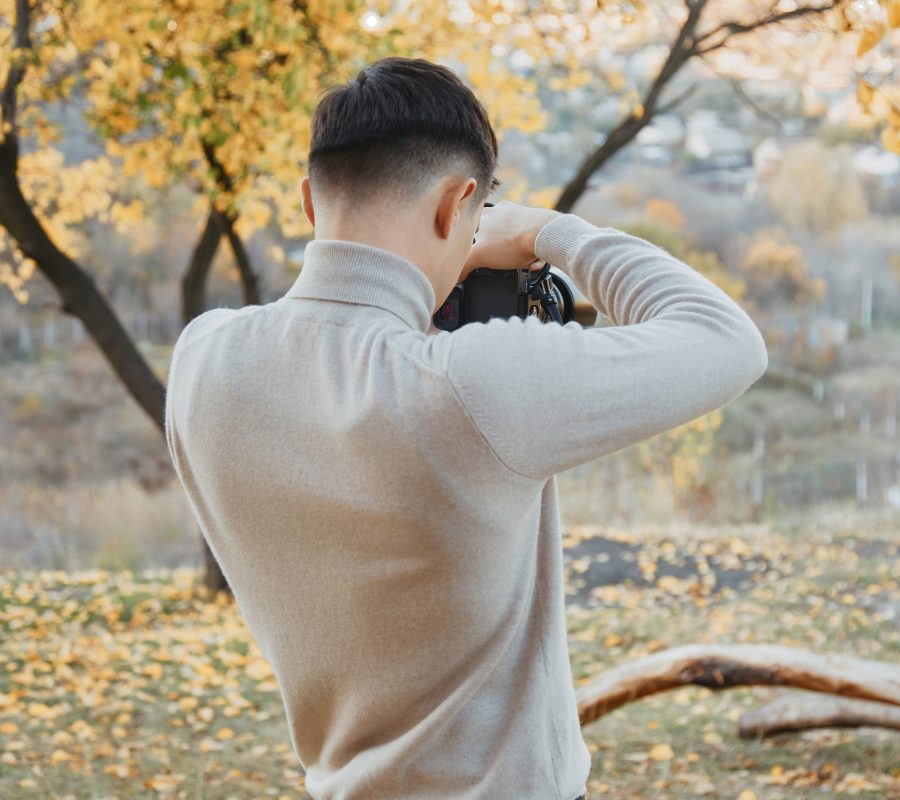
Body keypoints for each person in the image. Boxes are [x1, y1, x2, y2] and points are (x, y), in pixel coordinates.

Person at [163, 57, 767, 800]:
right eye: (474, 220)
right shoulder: (466, 383)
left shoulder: (204, 360)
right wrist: (552, 232)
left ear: (310, 205)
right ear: (458, 206)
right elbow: (726, 339)